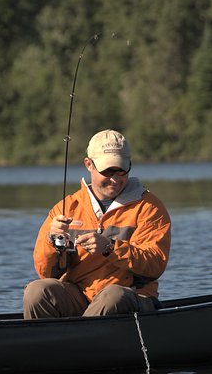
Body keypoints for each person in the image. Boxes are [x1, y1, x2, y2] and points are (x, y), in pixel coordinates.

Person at [23, 129, 171, 318]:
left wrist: (110, 247)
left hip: (131, 296)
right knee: (37, 290)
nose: (115, 178)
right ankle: (43, 343)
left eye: (121, 169)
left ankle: (78, 340)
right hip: (79, 296)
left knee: (112, 295)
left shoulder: (150, 207)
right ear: (89, 164)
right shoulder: (66, 207)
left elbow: (155, 265)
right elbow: (46, 273)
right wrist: (52, 242)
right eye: (108, 170)